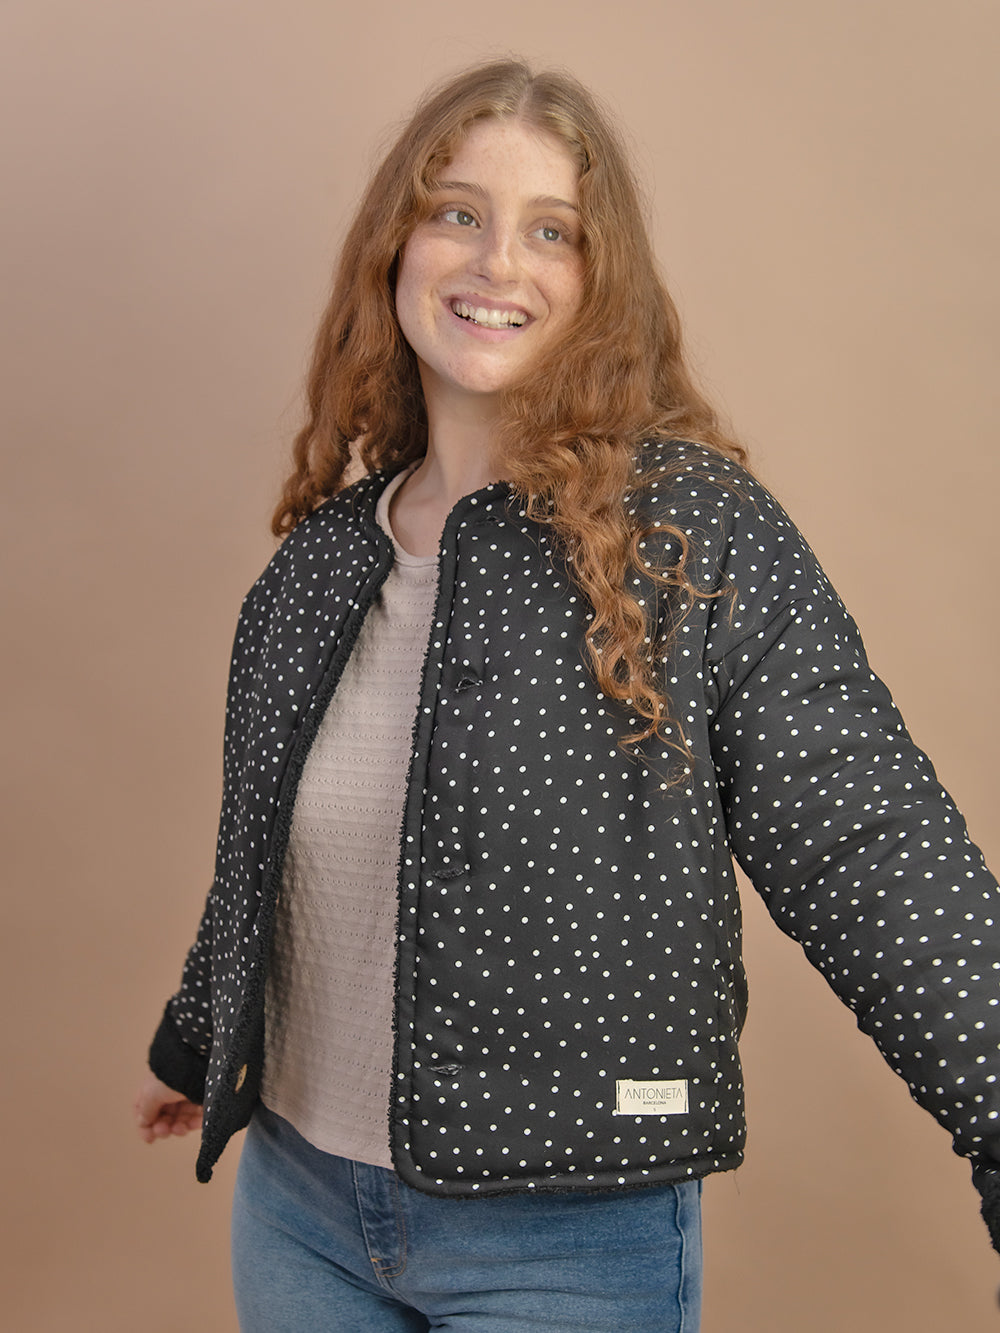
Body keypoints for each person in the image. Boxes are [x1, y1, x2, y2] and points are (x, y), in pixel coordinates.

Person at [133, 58, 999, 1331]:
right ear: (396, 246)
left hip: (568, 1239)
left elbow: (868, 840)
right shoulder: (318, 567)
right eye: (458, 213)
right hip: (297, 1211)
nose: (499, 262)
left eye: (553, 231)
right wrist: (198, 1039)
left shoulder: (688, 535)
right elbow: (263, 851)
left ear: (602, 281)